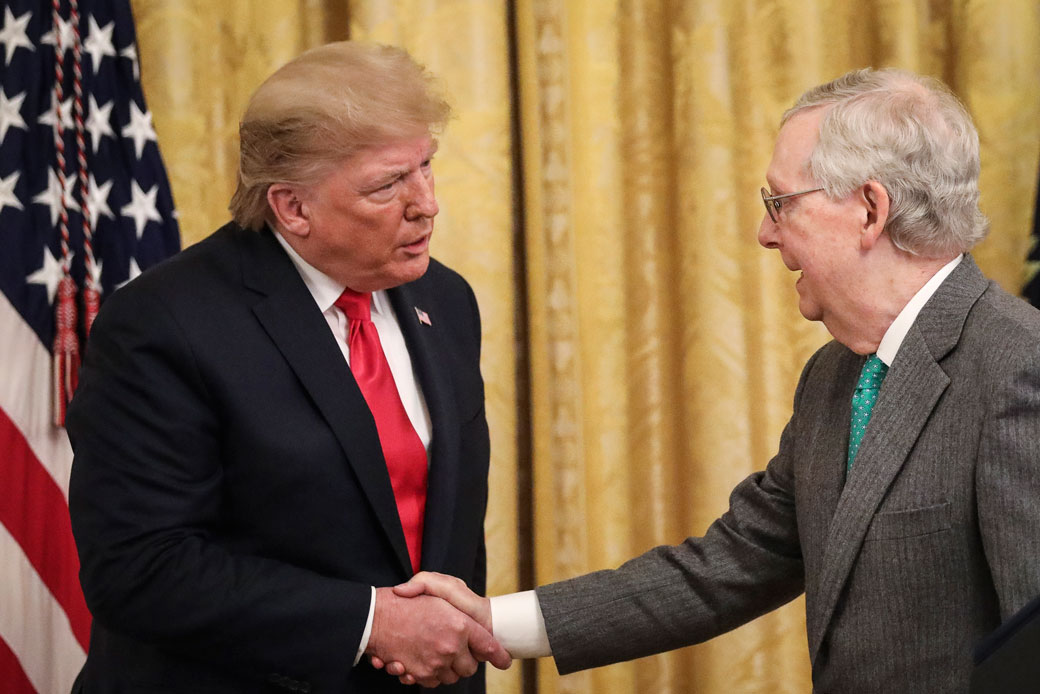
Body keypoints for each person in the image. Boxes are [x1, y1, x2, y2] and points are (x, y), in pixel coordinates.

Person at [382, 67, 1040, 693]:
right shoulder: (834, 377)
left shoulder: (1017, 370)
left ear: (870, 209)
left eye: (780, 203)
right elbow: (729, 566)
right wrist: (492, 621)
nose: (764, 233)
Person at [67, 41, 509, 693]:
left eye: (425, 167)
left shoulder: (445, 299)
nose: (427, 204)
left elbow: (446, 534)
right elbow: (141, 568)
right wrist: (372, 622)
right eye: (388, 184)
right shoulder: (162, 325)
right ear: (292, 207)